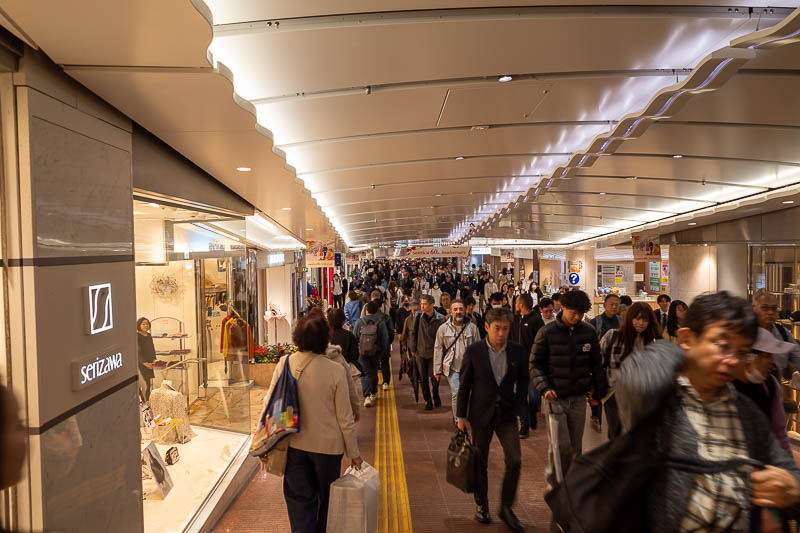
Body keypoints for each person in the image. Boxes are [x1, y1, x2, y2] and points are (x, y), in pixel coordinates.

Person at [616, 291, 800, 532]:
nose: (733, 360)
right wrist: (683, 357)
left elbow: (785, 467)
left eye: (741, 351)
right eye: (722, 345)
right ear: (687, 339)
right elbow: (633, 377)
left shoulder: (744, 410)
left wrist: (791, 487)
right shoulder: (660, 402)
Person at [267, 314, 363, 533]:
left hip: (294, 445)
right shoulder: (336, 370)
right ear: (325, 339)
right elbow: (345, 419)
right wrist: (354, 454)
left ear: (297, 337)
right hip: (328, 450)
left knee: (300, 501)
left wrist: (263, 440)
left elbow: (270, 403)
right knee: (327, 501)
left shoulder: (285, 363)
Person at [457, 307, 529, 531]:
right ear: (487, 327)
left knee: (515, 460)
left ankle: (506, 507)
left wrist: (520, 406)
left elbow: (524, 381)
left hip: (506, 414)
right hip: (481, 414)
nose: (501, 334)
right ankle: (482, 505)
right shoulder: (475, 351)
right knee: (481, 462)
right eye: (497, 329)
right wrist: (461, 415)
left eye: (506, 329)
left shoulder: (517, 351)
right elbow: (465, 384)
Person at [532, 289, 606, 490]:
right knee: (559, 445)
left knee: (575, 446)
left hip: (579, 398)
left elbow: (596, 364)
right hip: (555, 398)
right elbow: (535, 364)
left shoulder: (588, 332)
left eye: (581, 313)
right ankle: (556, 485)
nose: (577, 317)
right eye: (573, 312)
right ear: (562, 307)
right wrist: (544, 387)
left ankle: (571, 484)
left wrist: (597, 392)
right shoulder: (547, 333)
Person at [599, 302, 661, 439]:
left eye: (645, 320)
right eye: (637, 318)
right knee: (616, 438)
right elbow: (598, 363)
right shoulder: (613, 336)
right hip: (614, 395)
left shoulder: (652, 343)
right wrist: (597, 391)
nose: (641, 323)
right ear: (630, 318)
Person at [733, 327, 797, 454]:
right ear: (750, 357)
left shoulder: (770, 385)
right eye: (767, 355)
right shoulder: (725, 387)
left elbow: (779, 433)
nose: (773, 362)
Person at [434, 299, 480, 425]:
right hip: (451, 367)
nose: (458, 312)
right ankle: (458, 419)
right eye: (455, 309)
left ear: (464, 311)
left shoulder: (472, 328)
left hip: (469, 368)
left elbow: (479, 348)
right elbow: (438, 349)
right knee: (457, 393)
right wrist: (437, 370)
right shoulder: (443, 329)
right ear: (451, 312)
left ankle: (466, 415)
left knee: (469, 394)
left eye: (460, 309)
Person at [588, 293, 621, 431]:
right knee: (598, 389)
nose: (614, 307)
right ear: (604, 305)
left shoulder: (622, 321)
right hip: (599, 363)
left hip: (616, 364)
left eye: (617, 304)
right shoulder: (595, 322)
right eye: (611, 304)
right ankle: (596, 415)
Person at [513, 293, 544, 438]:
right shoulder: (515, 319)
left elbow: (542, 342)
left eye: (517, 302)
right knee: (520, 396)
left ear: (522, 304)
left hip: (534, 365)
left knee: (533, 396)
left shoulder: (536, 320)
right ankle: (524, 425)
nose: (515, 304)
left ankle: (533, 412)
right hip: (518, 365)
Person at [409, 295, 446, 410]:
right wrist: (413, 350)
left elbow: (444, 337)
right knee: (423, 378)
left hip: (434, 353)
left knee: (434, 377)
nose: (422, 306)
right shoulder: (418, 317)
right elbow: (413, 333)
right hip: (420, 352)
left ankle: (435, 395)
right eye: (422, 304)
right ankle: (428, 400)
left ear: (432, 305)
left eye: (425, 304)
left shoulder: (440, 318)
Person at [753, 290, 800, 372]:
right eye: (764, 308)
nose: (770, 312)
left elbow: (797, 357)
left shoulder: (783, 332)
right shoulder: (746, 333)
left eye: (774, 308)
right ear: (754, 309)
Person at [354, 301, 389, 408]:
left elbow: (355, 336)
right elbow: (385, 338)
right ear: (377, 310)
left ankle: (367, 396)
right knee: (373, 371)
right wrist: (383, 350)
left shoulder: (360, 322)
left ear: (366, 310)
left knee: (365, 373)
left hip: (362, 351)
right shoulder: (381, 322)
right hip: (376, 351)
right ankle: (373, 391)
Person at [328, 308, 361, 375]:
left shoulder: (325, 336)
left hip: (329, 371)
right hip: (348, 370)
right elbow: (355, 355)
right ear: (343, 321)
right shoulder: (349, 335)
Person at [137, 317, 156, 400]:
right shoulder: (136, 336)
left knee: (148, 384)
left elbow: (152, 348)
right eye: (143, 324)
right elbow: (137, 352)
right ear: (139, 325)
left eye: (147, 324)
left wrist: (154, 359)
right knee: (142, 385)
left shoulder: (149, 335)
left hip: (149, 363)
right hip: (141, 364)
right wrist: (144, 363)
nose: (146, 325)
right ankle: (142, 404)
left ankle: (147, 402)